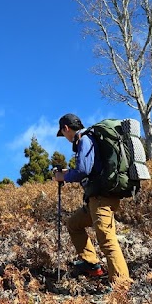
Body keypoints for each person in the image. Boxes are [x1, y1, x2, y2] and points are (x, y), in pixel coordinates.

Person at [52, 113, 131, 286]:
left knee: (107, 240)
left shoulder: (84, 140)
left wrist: (62, 177)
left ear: (66, 129)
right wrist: (67, 173)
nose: (64, 137)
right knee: (74, 224)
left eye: (63, 133)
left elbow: (83, 171)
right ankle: (91, 263)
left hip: (101, 198)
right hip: (96, 200)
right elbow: (90, 169)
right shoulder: (90, 139)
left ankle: (122, 284)